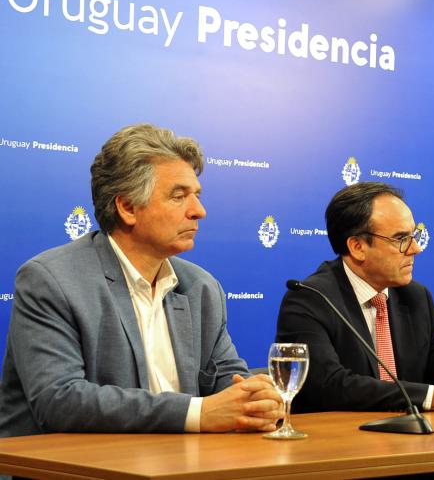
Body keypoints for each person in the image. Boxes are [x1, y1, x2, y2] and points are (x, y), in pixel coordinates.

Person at [0, 124, 282, 438]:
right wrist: (198, 413)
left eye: (197, 196)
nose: (199, 211)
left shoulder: (201, 287)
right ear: (128, 207)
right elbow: (60, 400)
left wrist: (256, 402)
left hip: (182, 465)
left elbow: (230, 381)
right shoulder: (52, 280)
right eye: (179, 197)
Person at [276, 182, 434, 413]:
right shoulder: (310, 300)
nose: (416, 248)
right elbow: (329, 386)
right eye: (401, 239)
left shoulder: (416, 297)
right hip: (339, 441)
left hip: (411, 440)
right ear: (357, 247)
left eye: (414, 235)